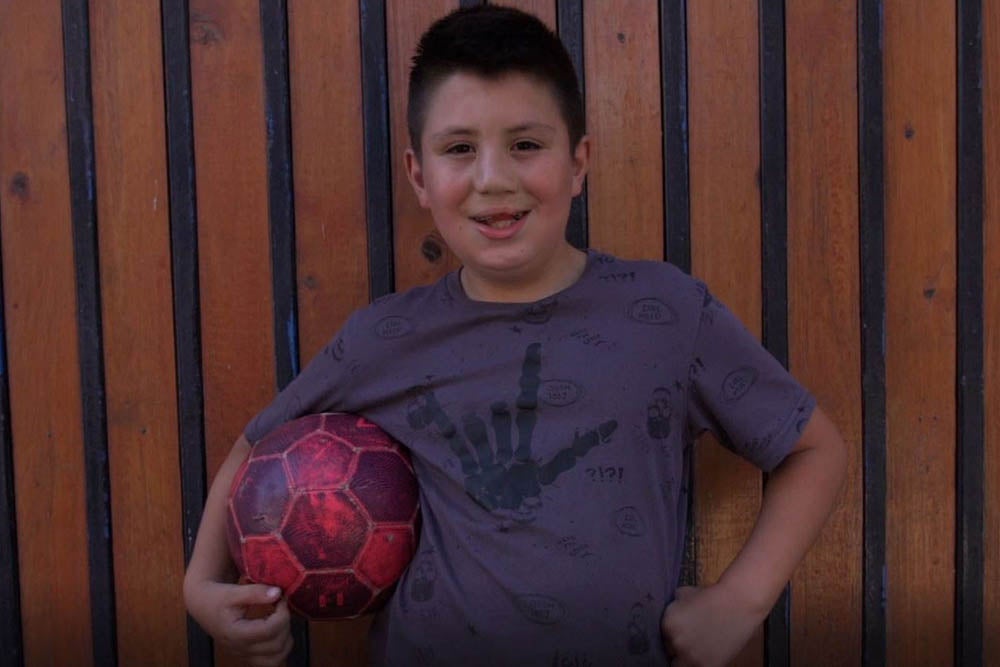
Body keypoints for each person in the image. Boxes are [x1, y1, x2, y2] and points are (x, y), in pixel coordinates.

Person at [183, 5, 848, 666]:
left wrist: (740, 601)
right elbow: (256, 444)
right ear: (420, 175)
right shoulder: (386, 337)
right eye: (459, 148)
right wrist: (202, 586)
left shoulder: (665, 312)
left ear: (578, 162)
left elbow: (814, 449)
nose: (493, 179)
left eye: (526, 145)